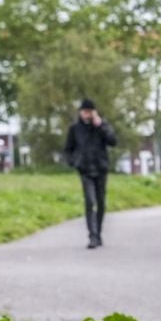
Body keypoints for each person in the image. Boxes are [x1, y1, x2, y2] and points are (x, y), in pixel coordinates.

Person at [61, 99, 118, 249]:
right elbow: (68, 148)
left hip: (100, 168)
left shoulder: (101, 126)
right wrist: (74, 162)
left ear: (94, 112)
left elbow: (112, 141)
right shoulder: (75, 129)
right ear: (80, 112)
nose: (87, 114)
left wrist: (101, 126)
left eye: (89, 111)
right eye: (85, 111)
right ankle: (92, 235)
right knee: (90, 201)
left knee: (101, 203)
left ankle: (98, 233)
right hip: (85, 170)